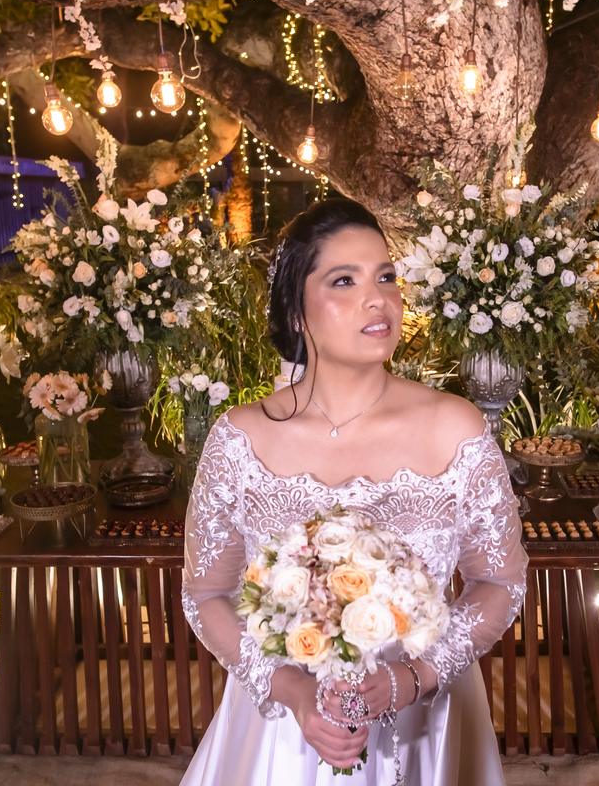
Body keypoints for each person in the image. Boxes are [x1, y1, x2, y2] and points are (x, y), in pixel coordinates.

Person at [179, 198, 528, 785]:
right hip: (285, 734)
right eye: (346, 279)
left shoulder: (456, 427)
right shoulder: (239, 440)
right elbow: (206, 593)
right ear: (295, 308)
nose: (379, 299)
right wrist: (290, 690)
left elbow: (501, 581)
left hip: (425, 726)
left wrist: (413, 676)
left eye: (387, 277)